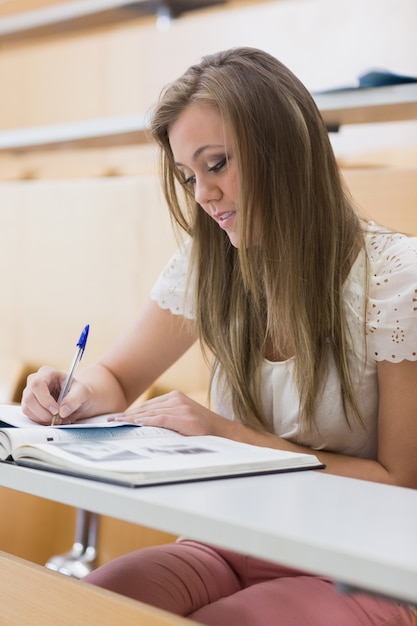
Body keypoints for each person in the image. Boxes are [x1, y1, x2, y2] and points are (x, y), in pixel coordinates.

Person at [22, 47, 417, 625]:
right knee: (84, 609)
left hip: (357, 569)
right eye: (188, 176)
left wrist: (227, 434)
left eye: (217, 164)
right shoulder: (208, 265)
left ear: (286, 150)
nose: (203, 194)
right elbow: (118, 376)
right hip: (227, 544)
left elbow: (399, 481)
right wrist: (74, 391)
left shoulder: (394, 278)